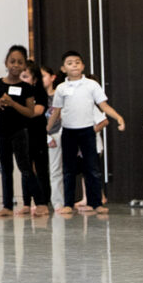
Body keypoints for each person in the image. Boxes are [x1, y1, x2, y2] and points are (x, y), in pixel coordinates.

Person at [48, 51, 125, 214]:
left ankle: (96, 203)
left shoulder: (91, 85)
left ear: (82, 66)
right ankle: (68, 204)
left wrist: (119, 118)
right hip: (68, 131)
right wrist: (46, 130)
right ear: (63, 68)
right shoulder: (61, 88)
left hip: (87, 131)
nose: (74, 65)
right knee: (68, 169)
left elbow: (104, 106)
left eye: (77, 62)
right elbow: (56, 112)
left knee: (92, 168)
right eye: (69, 63)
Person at [0, 45, 45, 217]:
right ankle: (7, 206)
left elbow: (30, 112)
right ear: (6, 62)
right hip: (2, 132)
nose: (15, 65)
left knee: (25, 168)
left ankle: (40, 203)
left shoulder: (27, 88)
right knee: (6, 169)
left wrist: (13, 103)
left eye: (20, 62)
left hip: (20, 132)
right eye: (12, 61)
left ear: (24, 65)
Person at [21, 60, 51, 215]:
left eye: (25, 76)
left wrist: (17, 107)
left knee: (40, 168)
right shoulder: (19, 92)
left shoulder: (39, 92)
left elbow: (37, 111)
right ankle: (26, 203)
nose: (22, 79)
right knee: (25, 168)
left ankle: (44, 201)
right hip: (22, 134)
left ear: (35, 79)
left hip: (37, 134)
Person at [40, 64, 65, 210]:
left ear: (52, 77)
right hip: (44, 136)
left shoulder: (58, 95)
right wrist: (46, 136)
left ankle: (59, 202)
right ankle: (46, 201)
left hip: (59, 134)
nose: (41, 80)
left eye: (43, 76)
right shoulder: (38, 97)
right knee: (46, 170)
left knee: (58, 170)